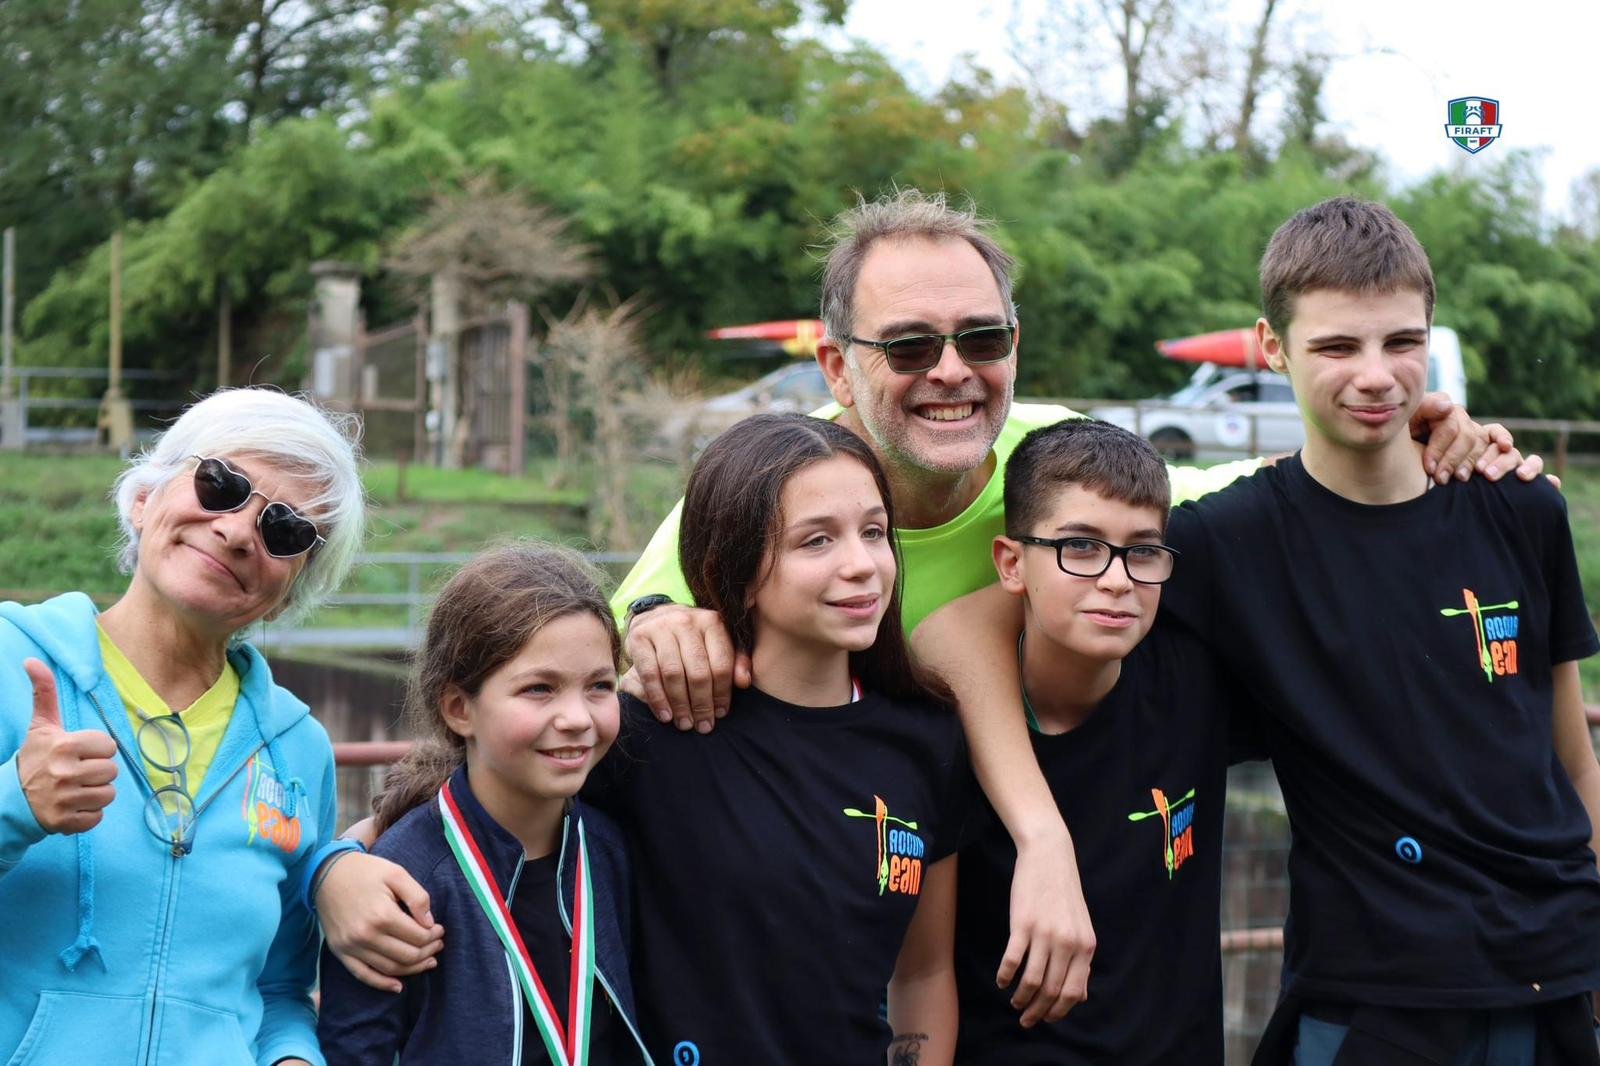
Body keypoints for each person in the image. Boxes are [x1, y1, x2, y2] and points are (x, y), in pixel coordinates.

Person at [312, 189, 1534, 1021]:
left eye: (982, 335)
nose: (951, 369)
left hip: (1048, 972)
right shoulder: (748, 507)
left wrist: (1427, 429)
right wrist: (348, 863)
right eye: (907, 345)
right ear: (835, 364)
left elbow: (1295, 490)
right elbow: (543, 706)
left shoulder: (1072, 473)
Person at [922, 197, 1600, 1065]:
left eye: (1401, 342)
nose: (1377, 376)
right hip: (1372, 994)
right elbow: (960, 628)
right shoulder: (1221, 541)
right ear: (1272, 348)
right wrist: (1040, 835)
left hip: (1555, 977)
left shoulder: (1522, 508)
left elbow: (1569, 757)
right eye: (1336, 346)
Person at [579, 413, 975, 1065]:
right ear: (732, 563)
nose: (862, 566)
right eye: (816, 541)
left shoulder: (928, 737)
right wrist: (347, 862)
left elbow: (922, 973)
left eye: (874, 532)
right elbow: (478, 804)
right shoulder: (653, 728)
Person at [0, 388, 365, 1066]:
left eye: (283, 530)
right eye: (219, 484)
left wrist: (291, 1058)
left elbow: (280, 985)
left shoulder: (297, 750)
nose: (235, 531)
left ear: (292, 591)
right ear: (143, 499)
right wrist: (16, 804)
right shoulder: (8, 664)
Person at [946, 416, 1255, 1065]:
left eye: (1143, 550)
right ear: (1011, 563)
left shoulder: (1200, 681)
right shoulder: (947, 730)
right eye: (1080, 547)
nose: (1116, 578)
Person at [316, 543, 651, 1065]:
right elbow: (356, 1051)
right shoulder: (402, 880)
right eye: (540, 689)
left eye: (599, 686)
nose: (577, 718)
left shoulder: (611, 849)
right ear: (458, 709)